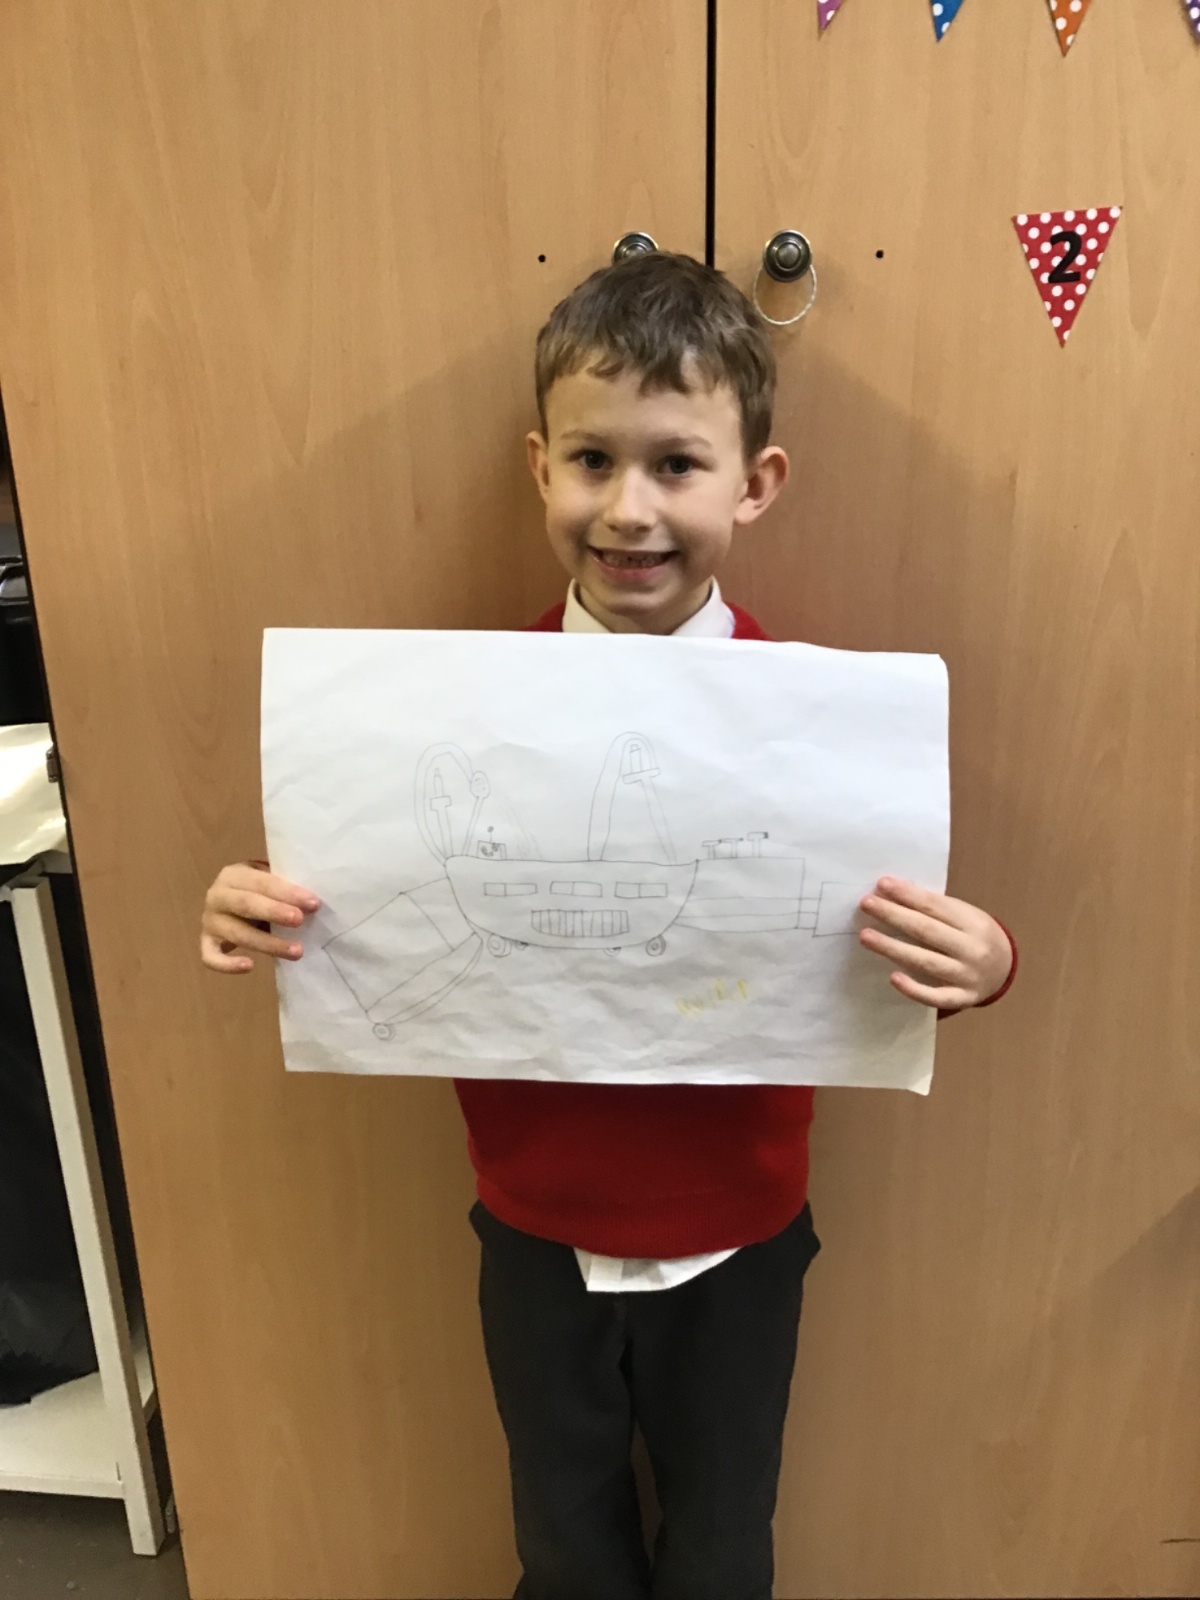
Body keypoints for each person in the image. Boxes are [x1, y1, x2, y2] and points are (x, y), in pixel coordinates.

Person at [201, 253, 1017, 1600]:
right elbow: (371, 875)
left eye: (676, 464)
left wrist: (984, 964)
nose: (629, 508)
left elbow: (897, 922)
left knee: (722, 1548)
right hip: (535, 1223)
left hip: (742, 1231)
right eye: (592, 459)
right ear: (540, 469)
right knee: (563, 1543)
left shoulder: (818, 731)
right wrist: (257, 899)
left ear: (756, 482)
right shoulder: (445, 710)